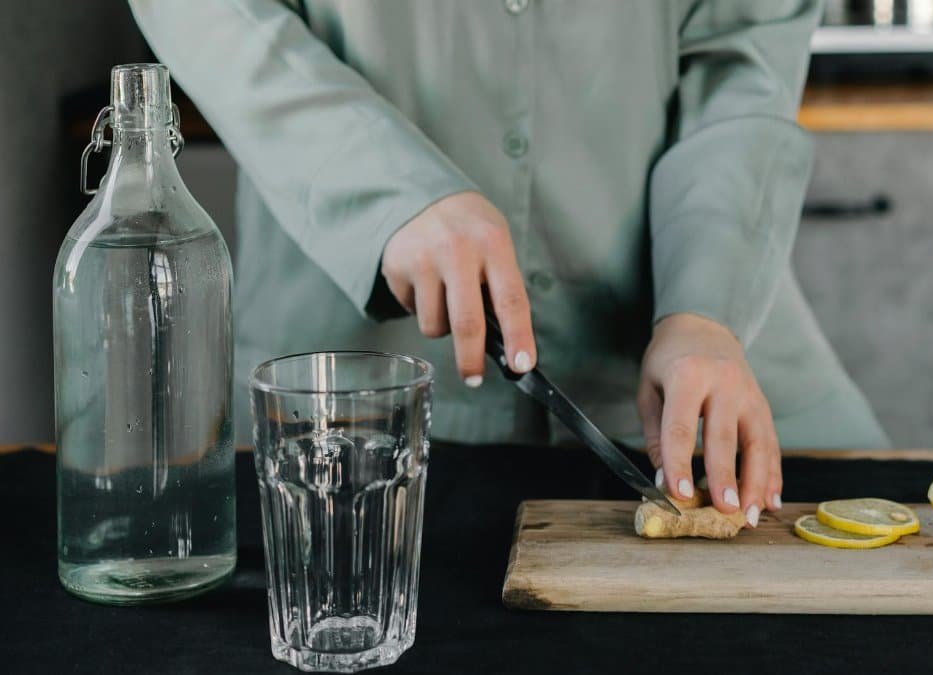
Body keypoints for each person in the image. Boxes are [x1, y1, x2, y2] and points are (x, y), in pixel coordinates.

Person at [128, 0, 888, 528]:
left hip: (682, 359)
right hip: (349, 400)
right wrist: (388, 190)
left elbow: (739, 62)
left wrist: (702, 311)